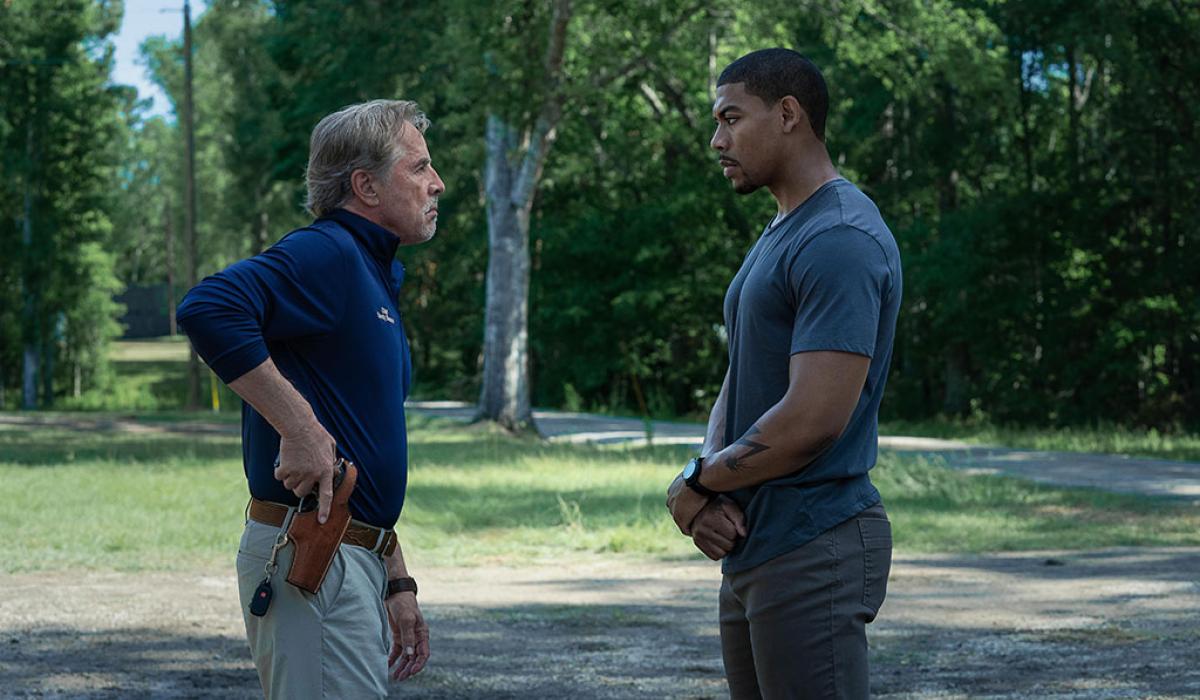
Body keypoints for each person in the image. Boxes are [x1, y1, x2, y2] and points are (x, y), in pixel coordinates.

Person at [177, 99, 445, 699]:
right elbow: (208, 308)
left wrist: (395, 579)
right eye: (420, 167)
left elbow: (361, 441)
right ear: (365, 186)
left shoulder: (371, 273)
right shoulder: (329, 252)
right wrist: (298, 426)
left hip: (350, 557)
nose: (437, 182)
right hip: (314, 560)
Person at [666, 49, 902, 699]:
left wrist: (694, 483)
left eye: (731, 118)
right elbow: (741, 372)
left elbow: (812, 420)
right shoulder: (785, 228)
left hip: (813, 544)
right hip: (759, 542)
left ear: (789, 114)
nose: (718, 140)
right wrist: (707, 480)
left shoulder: (840, 237)